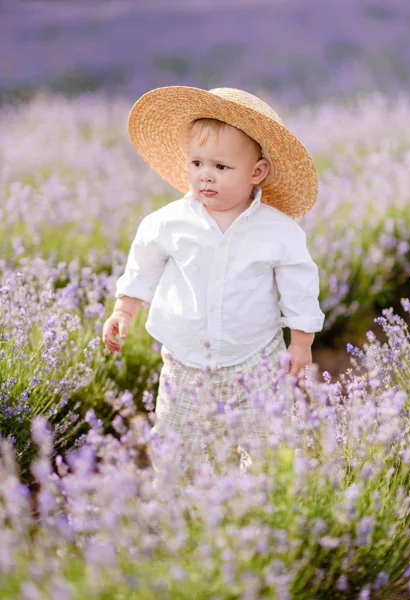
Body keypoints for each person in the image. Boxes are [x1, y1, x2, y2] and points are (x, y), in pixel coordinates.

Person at [102, 86, 325, 479]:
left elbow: (299, 284)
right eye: (197, 163)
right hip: (185, 358)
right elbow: (144, 265)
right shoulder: (168, 222)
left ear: (257, 173)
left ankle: (264, 509)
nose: (206, 175)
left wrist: (302, 341)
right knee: (174, 441)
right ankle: (172, 506)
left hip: (254, 356)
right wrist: (124, 309)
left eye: (221, 167)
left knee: (268, 442)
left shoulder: (277, 230)